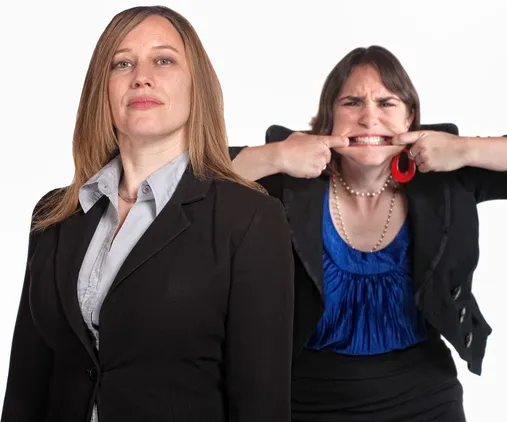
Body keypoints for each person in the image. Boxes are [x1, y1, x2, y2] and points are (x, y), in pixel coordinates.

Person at [230, 45, 507, 421]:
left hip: (424, 395)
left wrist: (465, 149)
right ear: (329, 118)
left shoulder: (447, 178)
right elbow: (177, 184)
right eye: (351, 102)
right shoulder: (287, 181)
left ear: (411, 118)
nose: (369, 118)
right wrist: (272, 157)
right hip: (300, 396)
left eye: (387, 103)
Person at [1, 6, 294, 422]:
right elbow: (26, 385)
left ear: (198, 88)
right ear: (101, 89)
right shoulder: (54, 215)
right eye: (122, 63)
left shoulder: (251, 220)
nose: (141, 75)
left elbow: (260, 403)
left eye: (164, 60)